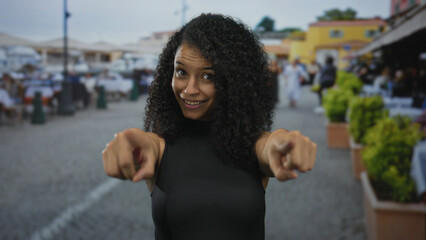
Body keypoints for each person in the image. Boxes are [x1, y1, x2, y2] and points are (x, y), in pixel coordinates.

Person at [102, 14, 316, 240]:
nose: (190, 89)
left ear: (234, 81)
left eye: (208, 76)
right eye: (181, 72)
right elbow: (144, 143)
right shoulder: (159, 147)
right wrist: (128, 143)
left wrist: (285, 143)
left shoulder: (254, 145)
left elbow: (271, 144)